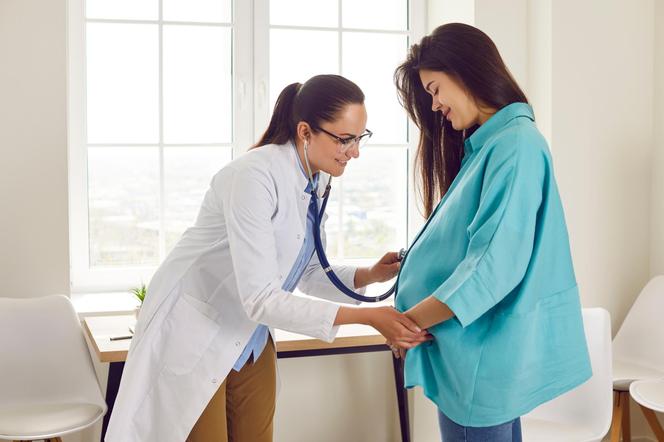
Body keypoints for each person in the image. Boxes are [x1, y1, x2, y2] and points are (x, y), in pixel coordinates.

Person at [105, 74, 430, 442]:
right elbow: (261, 297)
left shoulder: (314, 180)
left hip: (251, 339)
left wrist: (369, 274)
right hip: (198, 333)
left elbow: (303, 270)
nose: (354, 151)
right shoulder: (252, 177)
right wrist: (367, 317)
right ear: (306, 131)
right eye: (345, 139)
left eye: (360, 138)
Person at [390, 23, 592, 441]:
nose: (434, 105)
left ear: (463, 71)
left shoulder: (515, 146)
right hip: (473, 356)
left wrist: (406, 323)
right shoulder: (490, 145)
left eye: (434, 89)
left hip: (481, 359)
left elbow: (491, 268)